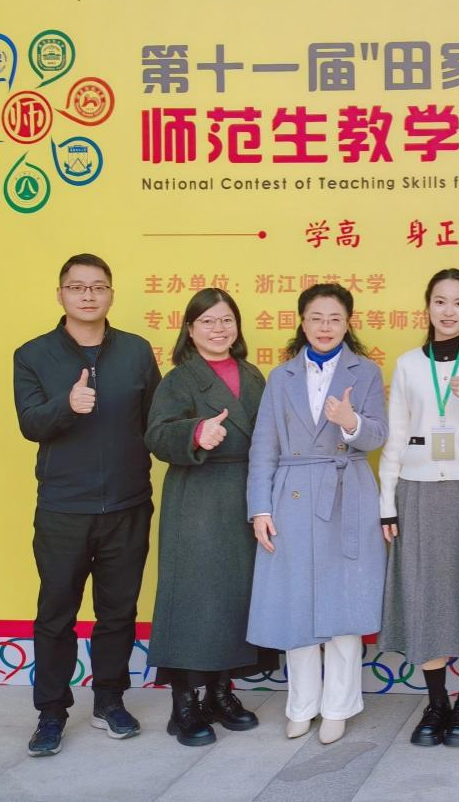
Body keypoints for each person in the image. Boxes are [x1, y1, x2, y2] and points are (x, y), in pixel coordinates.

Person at [13, 253, 161, 756]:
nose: (88, 296)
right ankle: (51, 713)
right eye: (77, 287)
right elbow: (30, 423)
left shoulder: (136, 351)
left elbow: (156, 422)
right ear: (61, 294)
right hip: (63, 508)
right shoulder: (33, 355)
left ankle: (109, 701)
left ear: (111, 294)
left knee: (117, 612)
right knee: (56, 613)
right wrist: (65, 405)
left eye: (98, 287)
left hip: (127, 504)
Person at [245, 283, 388, 744]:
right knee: (297, 603)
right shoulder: (281, 376)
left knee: (344, 603)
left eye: (335, 319)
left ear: (348, 324)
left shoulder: (365, 371)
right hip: (291, 496)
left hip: (348, 492)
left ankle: (339, 706)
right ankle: (301, 705)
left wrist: (351, 422)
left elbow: (378, 436)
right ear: (302, 322)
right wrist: (260, 508)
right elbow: (264, 446)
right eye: (316, 318)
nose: (325, 327)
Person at [377, 268, 459, 748]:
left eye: (458, 302)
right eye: (440, 301)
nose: (449, 311)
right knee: (424, 595)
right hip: (417, 488)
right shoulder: (408, 364)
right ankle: (435, 703)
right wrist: (387, 502)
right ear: (428, 306)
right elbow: (396, 436)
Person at [144, 288, 279, 746]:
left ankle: (221, 693)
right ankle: (183, 703)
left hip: (246, 495)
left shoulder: (253, 374)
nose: (218, 329)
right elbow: (156, 435)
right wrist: (195, 433)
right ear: (190, 329)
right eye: (207, 321)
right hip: (197, 499)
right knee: (193, 599)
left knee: (234, 598)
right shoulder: (179, 379)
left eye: (226, 320)